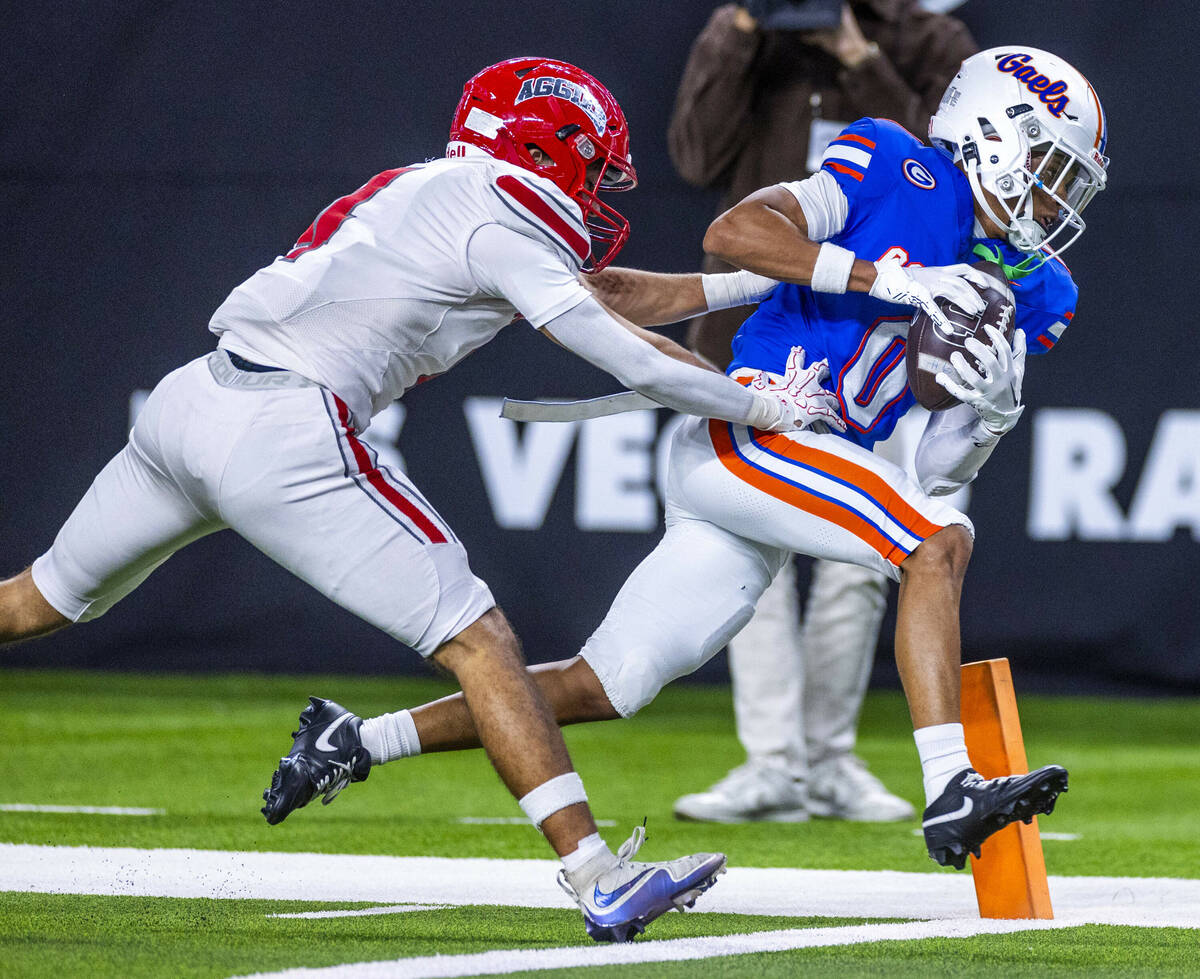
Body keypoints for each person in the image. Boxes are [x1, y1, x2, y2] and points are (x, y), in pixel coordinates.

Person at [0, 57, 826, 944]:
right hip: (288, 428)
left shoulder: (437, 190)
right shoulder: (504, 215)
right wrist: (763, 405)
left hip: (191, 401)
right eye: (591, 166)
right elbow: (625, 357)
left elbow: (608, 302)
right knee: (481, 638)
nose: (593, 191)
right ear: (550, 147)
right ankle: (598, 875)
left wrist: (768, 280)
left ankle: (596, 872)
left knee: (30, 602)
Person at [337, 46, 1104, 872]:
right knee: (936, 540)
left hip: (806, 462)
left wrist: (992, 415)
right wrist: (892, 280)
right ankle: (951, 784)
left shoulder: (1036, 287)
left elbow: (937, 471)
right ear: (991, 134)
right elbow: (735, 230)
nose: (1057, 196)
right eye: (1051, 168)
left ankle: (356, 740)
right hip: (753, 426)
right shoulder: (892, 163)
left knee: (607, 682)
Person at [668, 0, 977, 824]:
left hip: (892, 354)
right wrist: (737, 29)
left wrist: (856, 52)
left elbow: (956, 186)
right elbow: (695, 157)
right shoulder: (754, 33)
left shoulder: (925, 37)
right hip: (755, 338)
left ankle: (829, 757)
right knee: (753, 563)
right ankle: (770, 761)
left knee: (862, 568)